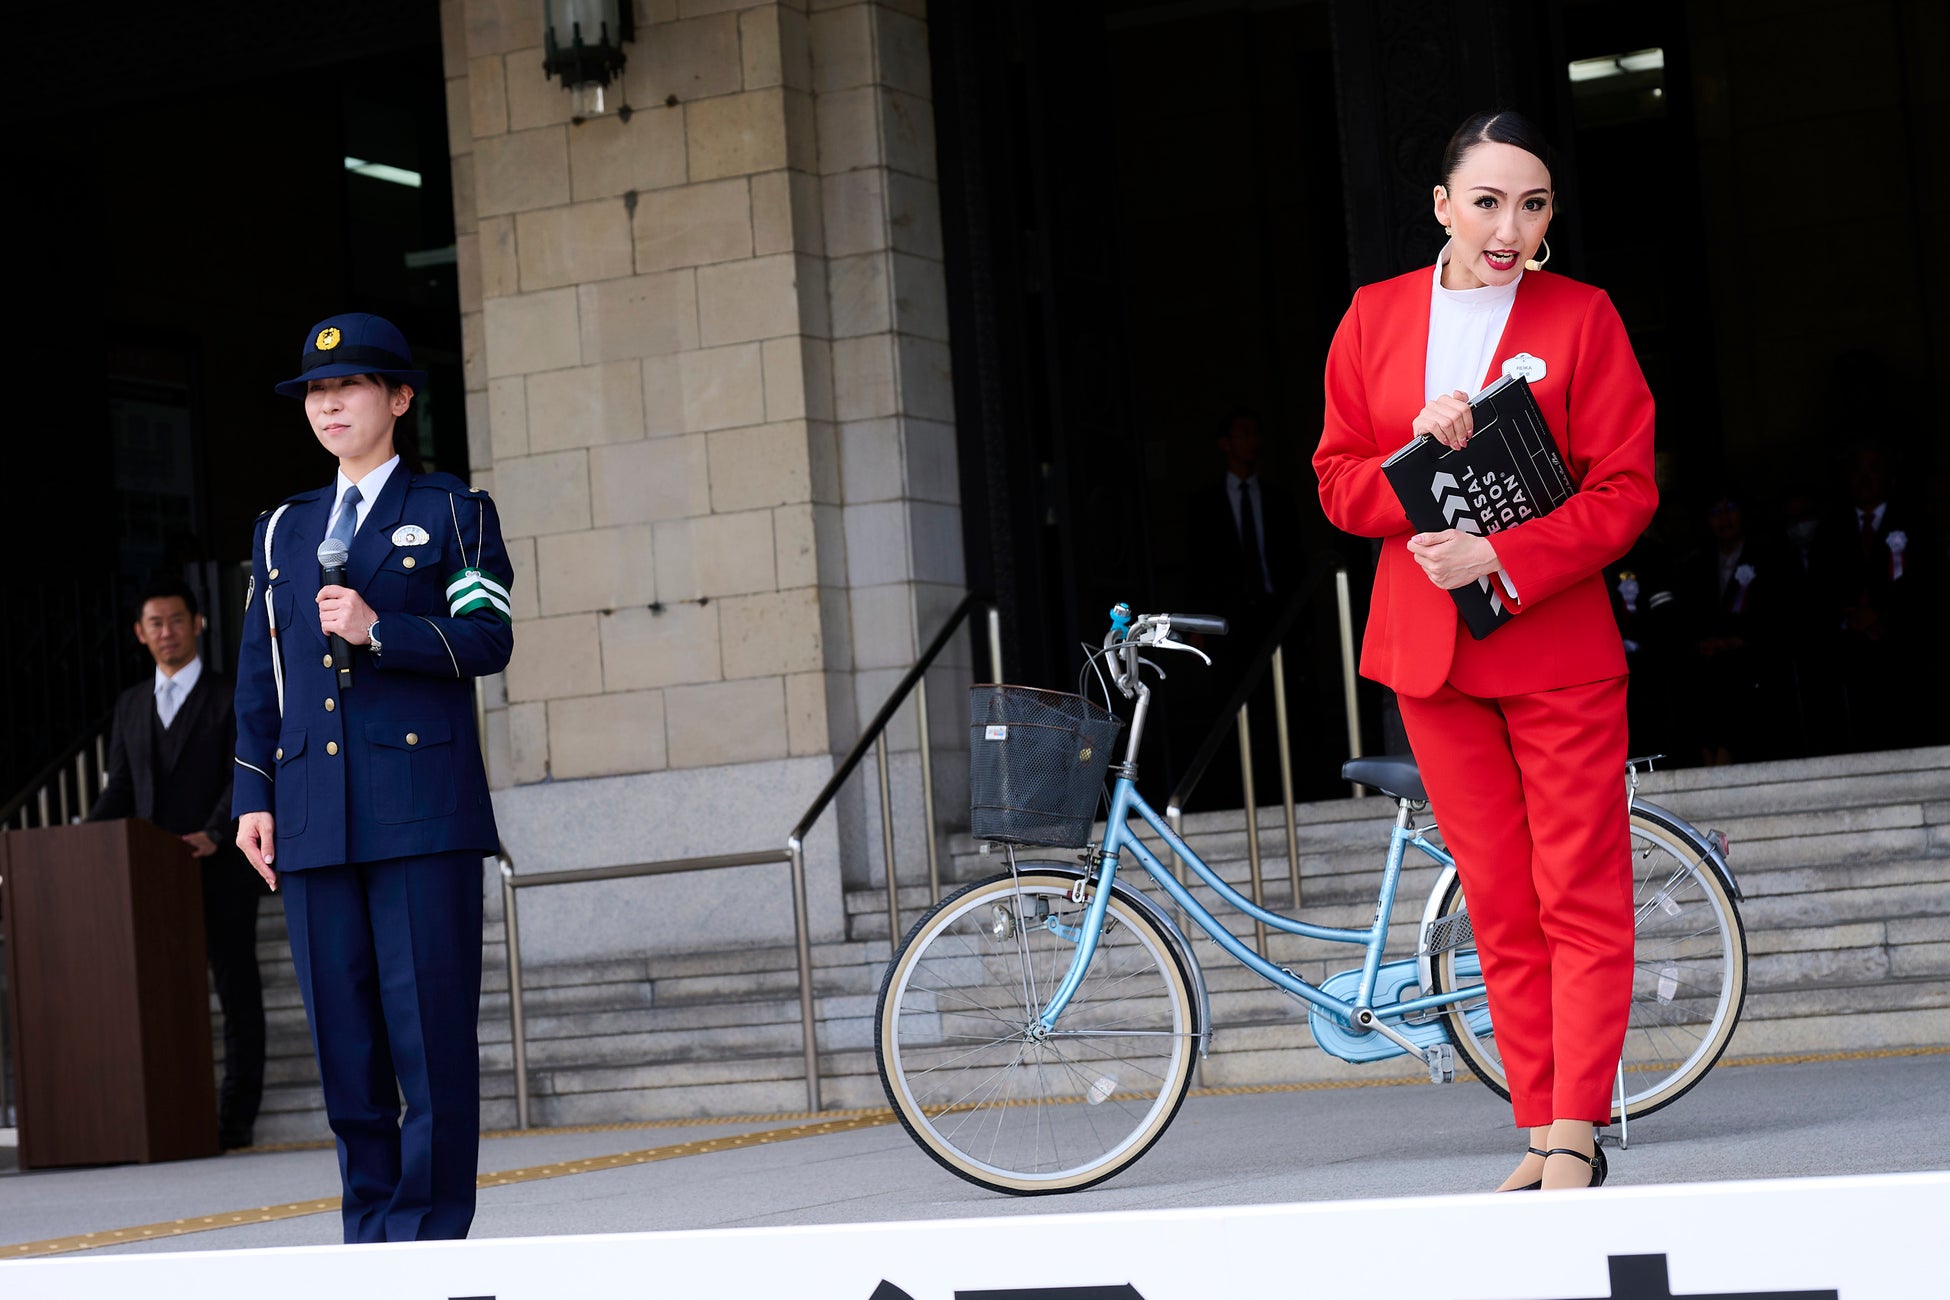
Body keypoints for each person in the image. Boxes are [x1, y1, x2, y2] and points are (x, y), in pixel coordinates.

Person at [1312, 110, 1655, 1191]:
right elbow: (1337, 483)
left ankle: (1577, 1131)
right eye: (1489, 202)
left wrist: (1499, 552)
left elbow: (1626, 491)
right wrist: (1412, 453)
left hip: (1556, 646)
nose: (1511, 228)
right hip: (1433, 659)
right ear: (1443, 206)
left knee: (1578, 892)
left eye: (1533, 204)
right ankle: (1539, 1126)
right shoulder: (1373, 316)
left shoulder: (1583, 315)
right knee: (1500, 904)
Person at [232, 313, 514, 1242]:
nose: (328, 405)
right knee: (346, 1049)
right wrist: (252, 797)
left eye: (347, 386)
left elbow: (488, 639)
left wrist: (378, 628)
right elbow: (260, 673)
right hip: (313, 813)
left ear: (398, 398)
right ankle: (367, 1242)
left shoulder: (455, 510)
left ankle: (424, 1241)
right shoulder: (284, 529)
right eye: (315, 392)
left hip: (421, 811)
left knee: (429, 1039)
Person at [89, 577, 267, 1150]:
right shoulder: (130, 705)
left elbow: (244, 772)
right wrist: (84, 839)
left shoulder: (230, 694)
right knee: (161, 994)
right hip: (151, 878)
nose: (167, 632)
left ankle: (237, 1117)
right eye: (155, 624)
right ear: (140, 634)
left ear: (197, 624)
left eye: (176, 621)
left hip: (221, 869)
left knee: (236, 990)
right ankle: (173, 1111)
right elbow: (121, 788)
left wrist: (216, 833)